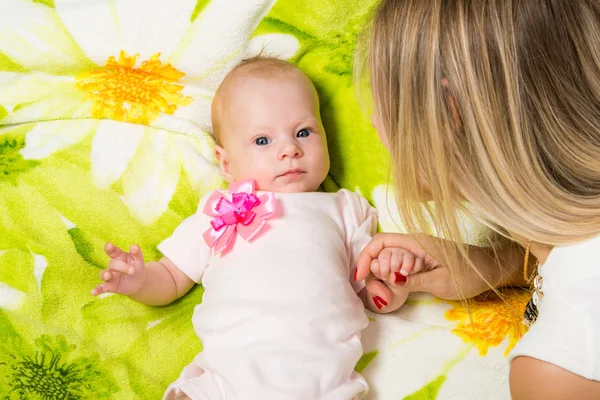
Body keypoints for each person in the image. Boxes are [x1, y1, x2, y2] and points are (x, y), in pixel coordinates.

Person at [90, 57, 417, 399]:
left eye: (303, 132)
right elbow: (172, 277)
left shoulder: (344, 208)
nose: (290, 149)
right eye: (263, 140)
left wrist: (394, 278)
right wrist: (140, 280)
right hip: (225, 379)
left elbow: (372, 294)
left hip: (320, 379)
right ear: (226, 162)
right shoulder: (218, 208)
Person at [354, 0, 600, 398]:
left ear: (449, 114)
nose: (374, 122)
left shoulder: (560, 372)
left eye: (385, 99)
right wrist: (494, 265)